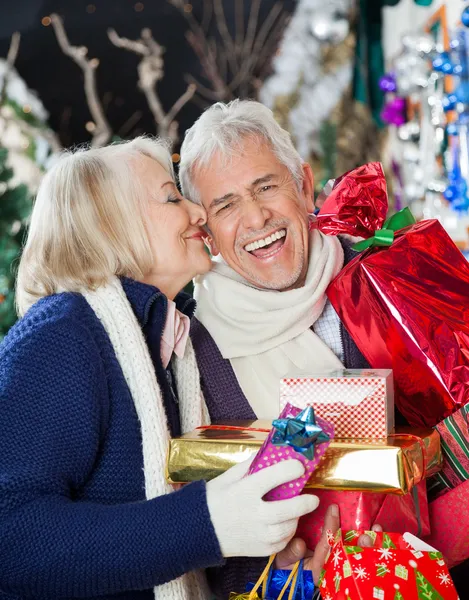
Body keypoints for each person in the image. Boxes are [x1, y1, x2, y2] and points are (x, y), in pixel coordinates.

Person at [0, 137, 325, 600]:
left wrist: (273, 576)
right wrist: (205, 523)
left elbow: (168, 555)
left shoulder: (169, 347)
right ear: (112, 225)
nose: (198, 213)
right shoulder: (63, 335)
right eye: (172, 197)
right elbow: (9, 537)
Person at [177, 100, 389, 597]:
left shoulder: (381, 278)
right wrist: (283, 576)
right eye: (225, 205)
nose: (255, 218)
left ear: (304, 185)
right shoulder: (193, 352)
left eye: (266, 186)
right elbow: (206, 545)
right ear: (205, 231)